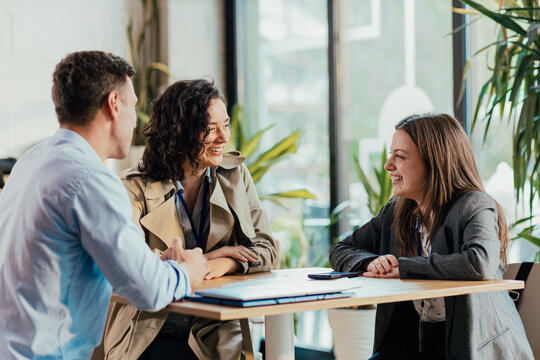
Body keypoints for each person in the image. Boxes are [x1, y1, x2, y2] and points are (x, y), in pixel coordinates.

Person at [0, 51, 207, 360]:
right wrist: (189, 270)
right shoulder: (90, 180)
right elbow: (148, 290)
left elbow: (66, 259)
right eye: (134, 106)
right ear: (114, 104)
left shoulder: (33, 161)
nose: (135, 119)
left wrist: (151, 262)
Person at [330, 113, 534, 359]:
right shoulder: (396, 211)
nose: (388, 165)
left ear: (434, 162)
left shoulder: (475, 205)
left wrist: (404, 267)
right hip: (414, 340)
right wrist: (369, 262)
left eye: (400, 156)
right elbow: (342, 249)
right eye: (390, 154)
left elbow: (480, 263)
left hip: (473, 345)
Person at [102, 79, 277, 360]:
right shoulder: (132, 187)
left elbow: (267, 248)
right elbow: (130, 265)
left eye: (226, 125)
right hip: (150, 329)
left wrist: (227, 261)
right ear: (179, 131)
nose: (223, 137)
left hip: (215, 332)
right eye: (210, 129)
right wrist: (207, 259)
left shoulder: (235, 175)